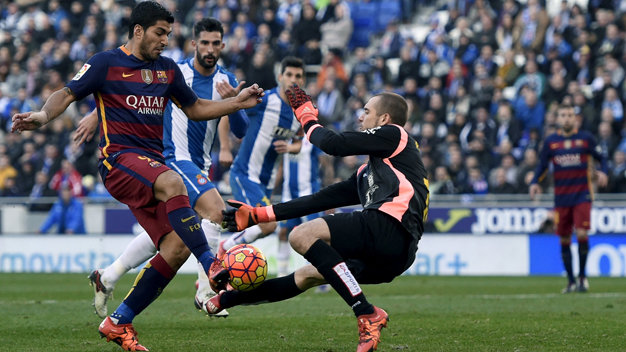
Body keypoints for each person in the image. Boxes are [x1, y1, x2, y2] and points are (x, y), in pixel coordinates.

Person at [11, 2, 263, 351]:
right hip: (118, 160)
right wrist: (42, 115)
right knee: (174, 183)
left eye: (169, 35)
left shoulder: (167, 70)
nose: (164, 40)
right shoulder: (105, 62)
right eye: (160, 33)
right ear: (139, 30)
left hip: (151, 166)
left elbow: (195, 109)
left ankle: (119, 322)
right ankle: (213, 264)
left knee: (175, 248)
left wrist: (237, 103)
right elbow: (67, 93)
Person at [210, 88, 430, 352]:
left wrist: (306, 116)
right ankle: (229, 299)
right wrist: (260, 214)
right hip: (396, 255)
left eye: (367, 112)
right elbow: (320, 200)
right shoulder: (370, 170)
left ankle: (365, 311)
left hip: (390, 227)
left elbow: (335, 145)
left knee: (300, 236)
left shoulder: (396, 135)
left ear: (384, 119)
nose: (361, 118)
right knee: (306, 275)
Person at [76, 17, 249, 320]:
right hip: (170, 159)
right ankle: (207, 290)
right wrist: (95, 113)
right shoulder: (173, 70)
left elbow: (241, 129)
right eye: (204, 42)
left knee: (177, 234)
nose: (210, 49)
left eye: (216, 43)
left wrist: (233, 101)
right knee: (215, 210)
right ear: (194, 44)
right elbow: (125, 92)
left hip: (200, 165)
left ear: (223, 45)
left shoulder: (226, 78)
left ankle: (109, 275)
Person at [215, 57, 304, 258]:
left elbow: (299, 142)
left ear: (303, 80)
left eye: (298, 76)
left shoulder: (299, 112)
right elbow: (228, 110)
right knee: (269, 225)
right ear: (280, 77)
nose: (293, 79)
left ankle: (220, 270)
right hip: (245, 174)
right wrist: (225, 148)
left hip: (267, 182)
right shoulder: (265, 100)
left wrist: (291, 148)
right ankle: (224, 248)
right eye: (289, 75)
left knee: (258, 226)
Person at [529, 102, 608, 294]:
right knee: (564, 238)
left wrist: (603, 172)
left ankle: (582, 277)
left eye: (570, 115)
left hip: (582, 195)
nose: (566, 118)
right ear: (558, 119)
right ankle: (571, 280)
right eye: (563, 115)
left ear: (575, 119)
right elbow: (542, 167)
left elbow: (602, 158)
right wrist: (534, 182)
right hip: (561, 197)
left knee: (581, 233)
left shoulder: (586, 139)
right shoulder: (551, 142)